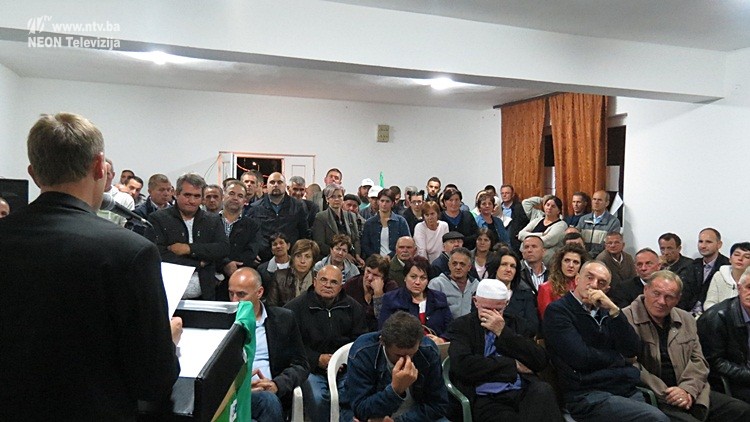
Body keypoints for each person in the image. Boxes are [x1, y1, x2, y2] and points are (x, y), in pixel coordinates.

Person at [0, 113, 180, 420]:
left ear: (33, 173)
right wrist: (168, 342)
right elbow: (153, 381)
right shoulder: (130, 251)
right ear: (99, 166)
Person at [543, 261, 669, 422]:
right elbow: (581, 358)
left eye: (601, 283)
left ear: (606, 290)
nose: (594, 285)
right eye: (589, 277)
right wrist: (619, 358)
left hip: (621, 387)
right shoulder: (559, 311)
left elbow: (632, 349)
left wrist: (615, 311)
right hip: (587, 394)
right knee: (656, 418)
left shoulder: (607, 312)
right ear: (577, 279)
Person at [623, 270, 750, 421]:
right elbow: (631, 365)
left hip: (692, 391)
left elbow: (699, 361)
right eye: (656, 293)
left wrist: (687, 390)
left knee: (741, 410)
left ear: (678, 299)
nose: (662, 301)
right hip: (656, 396)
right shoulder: (625, 320)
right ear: (645, 290)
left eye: (669, 297)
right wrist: (668, 393)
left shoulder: (686, 319)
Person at [447, 279, 563, 421]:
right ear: (476, 302)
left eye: (498, 310)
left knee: (543, 391)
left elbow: (540, 360)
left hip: (520, 388)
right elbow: (462, 365)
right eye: (486, 309)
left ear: (506, 304)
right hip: (486, 396)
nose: (493, 315)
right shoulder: (462, 326)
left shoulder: (517, 323)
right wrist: (512, 365)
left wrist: (503, 332)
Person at [284, 265, 367, 422]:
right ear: (315, 282)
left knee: (350, 395)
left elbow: (360, 342)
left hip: (345, 369)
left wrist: (342, 361)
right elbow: (290, 346)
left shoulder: (353, 308)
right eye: (323, 280)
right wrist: (317, 359)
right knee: (318, 398)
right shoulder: (294, 309)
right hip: (310, 368)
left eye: (334, 282)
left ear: (341, 286)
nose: (328, 285)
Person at [227, 268, 309, 420]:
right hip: (233, 395)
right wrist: (239, 386)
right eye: (231, 294)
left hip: (270, 394)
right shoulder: (223, 324)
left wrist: (276, 384)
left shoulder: (284, 319)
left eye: (241, 295)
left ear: (259, 292)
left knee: (267, 400)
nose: (234, 301)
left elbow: (301, 365)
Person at [346, 311, 450, 422]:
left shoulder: (428, 350)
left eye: (411, 354)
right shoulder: (363, 351)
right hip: (377, 415)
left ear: (419, 343)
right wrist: (396, 390)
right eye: (398, 355)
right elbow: (360, 409)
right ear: (383, 342)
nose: (406, 360)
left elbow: (438, 405)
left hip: (417, 416)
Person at [148, 173, 230, 300]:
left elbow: (222, 248)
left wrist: (189, 249)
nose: (192, 201)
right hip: (167, 293)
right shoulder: (158, 219)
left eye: (197, 196)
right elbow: (157, 253)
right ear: (176, 193)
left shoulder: (212, 220)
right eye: (187, 195)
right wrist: (198, 263)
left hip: (205, 294)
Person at [697, 267, 750, 403]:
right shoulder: (715, 317)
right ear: (739, 288)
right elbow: (713, 363)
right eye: (748, 287)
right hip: (731, 382)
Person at [379, 256, 453, 344]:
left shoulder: (439, 298)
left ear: (428, 280)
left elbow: (451, 329)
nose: (417, 282)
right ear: (405, 277)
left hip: (436, 349)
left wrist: (441, 340)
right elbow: (383, 331)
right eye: (413, 277)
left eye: (423, 278)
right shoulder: (391, 299)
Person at [248, 172, 310, 262]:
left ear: (285, 186)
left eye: (279, 182)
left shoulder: (298, 206)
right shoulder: (255, 208)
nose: (276, 185)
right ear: (266, 186)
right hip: (263, 259)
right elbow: (249, 234)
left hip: (291, 258)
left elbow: (304, 233)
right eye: (272, 182)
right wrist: (251, 252)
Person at [679, 228, 730, 314]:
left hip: (713, 315)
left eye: (708, 242)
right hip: (687, 314)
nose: (703, 246)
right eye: (700, 241)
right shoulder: (692, 266)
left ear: (719, 244)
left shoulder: (727, 267)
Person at [488, 248, 540, 333]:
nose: (508, 269)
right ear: (496, 267)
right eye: (504, 264)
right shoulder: (482, 293)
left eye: (513, 266)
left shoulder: (526, 295)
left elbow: (532, 327)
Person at [219, 180, 263, 279]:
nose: (235, 198)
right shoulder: (209, 221)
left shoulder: (253, 226)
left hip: (239, 275)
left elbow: (251, 252)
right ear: (223, 196)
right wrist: (225, 264)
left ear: (244, 201)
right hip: (211, 275)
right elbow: (207, 249)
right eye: (231, 193)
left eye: (240, 196)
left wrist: (231, 265)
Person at [344, 254, 399, 331]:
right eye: (368, 271)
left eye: (375, 275)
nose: (369, 278)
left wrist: (378, 295)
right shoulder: (351, 285)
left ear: (384, 278)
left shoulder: (391, 288)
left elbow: (386, 321)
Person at [311, 183, 361, 261]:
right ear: (327, 199)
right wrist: (341, 254)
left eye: (339, 196)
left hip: (350, 258)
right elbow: (319, 243)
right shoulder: (321, 217)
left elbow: (356, 239)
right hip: (328, 258)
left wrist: (357, 256)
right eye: (333, 196)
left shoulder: (351, 216)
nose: (337, 199)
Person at [537, 243, 588, 320]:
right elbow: (548, 319)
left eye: (576, 262)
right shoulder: (546, 288)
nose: (571, 265)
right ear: (560, 263)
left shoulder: (585, 287)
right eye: (567, 261)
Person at [429, 247, 480, 319]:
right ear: (449, 265)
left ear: (469, 267)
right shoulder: (437, 284)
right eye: (454, 264)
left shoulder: (477, 286)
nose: (458, 267)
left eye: (462, 264)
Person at [266, 238, 319, 307]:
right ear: (293, 258)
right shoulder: (279, 276)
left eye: (307, 257)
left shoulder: (319, 278)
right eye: (298, 256)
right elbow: (271, 307)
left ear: (313, 260)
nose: (302, 261)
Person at [361, 188, 411, 259]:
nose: (384, 204)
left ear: (392, 203)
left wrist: (390, 256)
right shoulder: (369, 223)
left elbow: (407, 242)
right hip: (375, 261)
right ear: (378, 202)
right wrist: (377, 258)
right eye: (382, 201)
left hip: (396, 259)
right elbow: (365, 245)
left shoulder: (401, 221)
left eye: (387, 201)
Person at [518, 195, 566, 264]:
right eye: (547, 205)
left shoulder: (561, 225)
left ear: (558, 211)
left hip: (547, 261)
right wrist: (540, 234)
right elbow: (521, 234)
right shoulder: (537, 220)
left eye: (553, 206)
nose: (549, 208)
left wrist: (527, 242)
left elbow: (548, 240)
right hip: (527, 257)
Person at [703, 242, 750, 310]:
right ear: (730, 259)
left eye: (747, 257)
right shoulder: (719, 275)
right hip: (718, 314)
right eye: (737, 255)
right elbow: (709, 303)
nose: (740, 258)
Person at [576, 190, 621, 257]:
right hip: (583, 257)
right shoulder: (583, 219)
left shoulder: (613, 222)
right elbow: (577, 237)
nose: (596, 202)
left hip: (601, 259)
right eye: (594, 199)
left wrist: (590, 255)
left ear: (607, 203)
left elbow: (608, 243)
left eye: (599, 200)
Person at [499, 184, 529, 253]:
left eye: (507, 193)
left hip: (514, 243)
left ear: (512, 194)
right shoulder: (497, 208)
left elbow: (525, 223)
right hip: (501, 242)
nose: (504, 195)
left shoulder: (518, 208)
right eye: (502, 193)